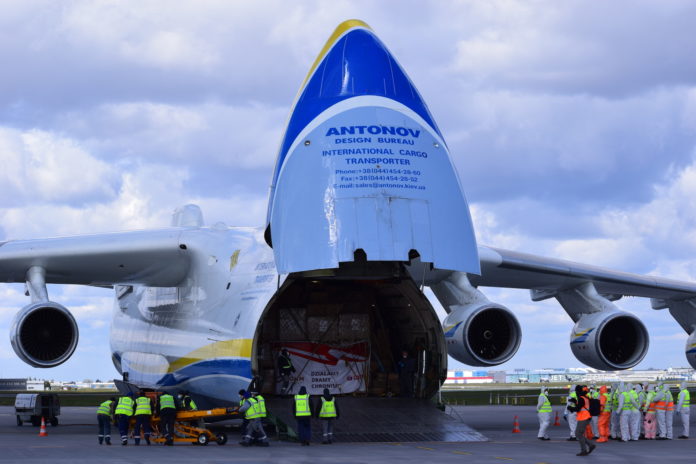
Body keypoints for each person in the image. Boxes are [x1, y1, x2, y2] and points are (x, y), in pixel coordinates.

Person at [569, 385, 596, 456]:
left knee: (578, 433)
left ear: (577, 391)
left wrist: (571, 408)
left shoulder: (581, 398)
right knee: (579, 433)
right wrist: (575, 402)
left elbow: (578, 408)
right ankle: (590, 445)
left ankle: (585, 449)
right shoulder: (584, 397)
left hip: (584, 417)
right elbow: (581, 406)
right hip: (585, 417)